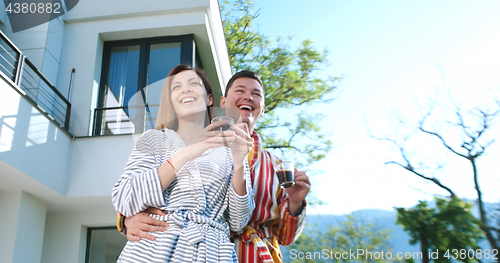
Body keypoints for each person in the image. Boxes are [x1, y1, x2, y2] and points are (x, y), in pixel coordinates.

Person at [118, 70, 311, 263]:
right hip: (167, 247)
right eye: (240, 90)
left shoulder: (277, 167)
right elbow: (131, 196)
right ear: (223, 102)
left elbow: (282, 236)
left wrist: (295, 204)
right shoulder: (164, 140)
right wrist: (126, 220)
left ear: (262, 109)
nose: (248, 97)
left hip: (237, 255)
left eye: (256, 94)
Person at [112, 65, 255, 263]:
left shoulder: (231, 148)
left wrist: (239, 161)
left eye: (194, 84)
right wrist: (188, 152)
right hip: (154, 248)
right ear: (171, 100)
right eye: (176, 87)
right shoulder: (153, 140)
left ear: (209, 98)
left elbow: (238, 221)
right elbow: (124, 198)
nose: (186, 89)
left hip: (213, 252)